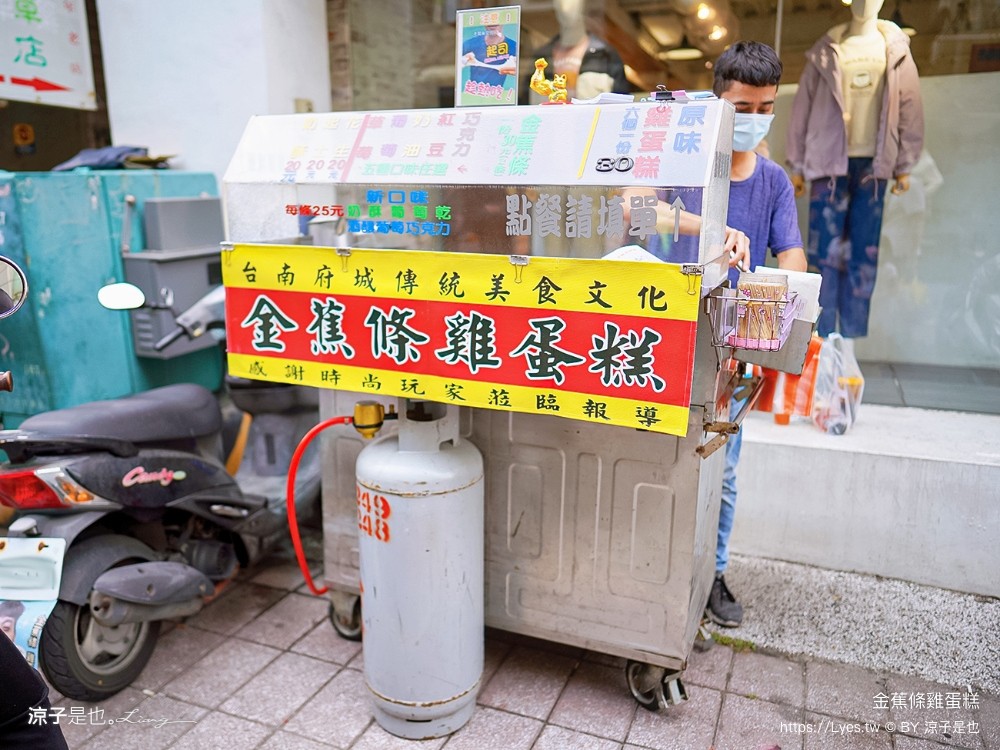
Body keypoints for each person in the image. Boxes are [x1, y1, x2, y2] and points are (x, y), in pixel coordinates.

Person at [786, 0, 924, 346]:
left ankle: (849, 338)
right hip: (827, 165)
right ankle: (820, 332)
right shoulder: (827, 50)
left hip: (874, 166)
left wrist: (904, 163)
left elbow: (909, 106)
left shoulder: (894, 49)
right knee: (824, 253)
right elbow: (802, 109)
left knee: (864, 251)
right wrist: (798, 164)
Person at [521, 0, 630, 103]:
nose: (565, 6)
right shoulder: (541, 58)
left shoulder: (606, 56)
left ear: (584, 4)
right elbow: (524, 106)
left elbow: (621, 108)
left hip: (592, 123)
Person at [461, 23, 518, 89]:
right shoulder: (470, 44)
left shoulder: (514, 46)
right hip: (474, 94)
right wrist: (463, 61)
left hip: (499, 95)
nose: (493, 23)